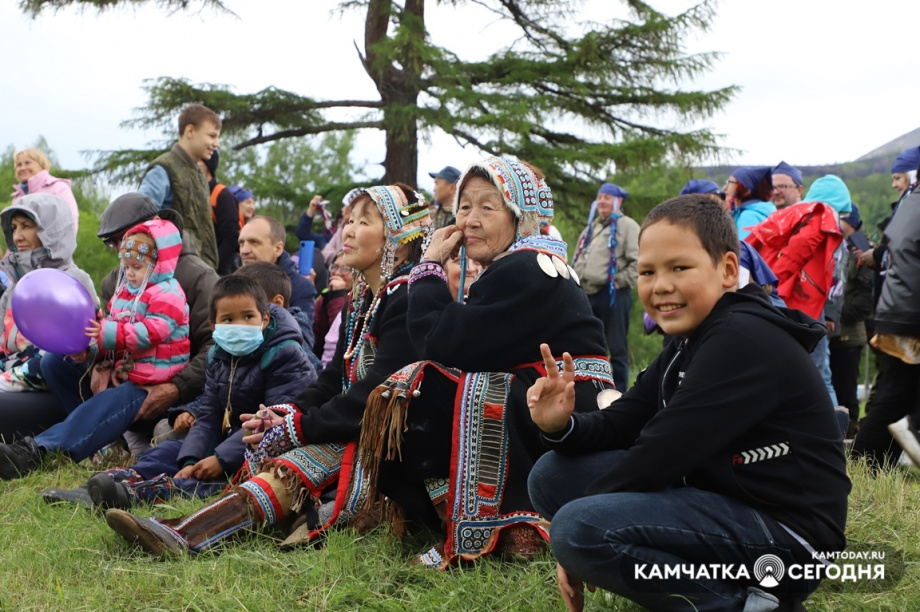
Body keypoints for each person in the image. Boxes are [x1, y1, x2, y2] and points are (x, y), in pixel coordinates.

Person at [527, 195, 850, 612]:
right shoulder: (689, 340)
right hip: (721, 497)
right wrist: (561, 425)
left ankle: (747, 605)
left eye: (679, 268)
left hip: (789, 538)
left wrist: (573, 537)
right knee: (552, 476)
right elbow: (624, 421)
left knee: (577, 527)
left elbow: (660, 453)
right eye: (648, 271)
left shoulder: (741, 339)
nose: (660, 285)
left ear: (728, 270)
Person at [102, 183, 429, 557]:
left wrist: (298, 426)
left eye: (364, 222)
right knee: (276, 451)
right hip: (352, 428)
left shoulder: (408, 298)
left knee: (291, 466)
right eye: (349, 220)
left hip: (389, 443)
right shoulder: (363, 300)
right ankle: (176, 529)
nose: (348, 231)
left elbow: (374, 391)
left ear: (400, 239)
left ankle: (182, 535)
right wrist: (286, 413)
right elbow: (332, 378)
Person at [365, 156, 614, 567]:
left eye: (488, 207)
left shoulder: (524, 267)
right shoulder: (533, 263)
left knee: (419, 384)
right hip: (567, 405)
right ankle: (464, 517)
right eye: (464, 207)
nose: (471, 220)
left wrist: (428, 266)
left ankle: (488, 523)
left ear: (519, 217)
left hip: (562, 408)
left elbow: (440, 342)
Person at [59, 273, 315, 509]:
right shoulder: (218, 356)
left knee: (213, 481)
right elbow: (209, 415)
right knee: (167, 453)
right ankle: (103, 485)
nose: (239, 325)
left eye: (248, 316)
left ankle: (135, 494)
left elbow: (272, 423)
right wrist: (191, 459)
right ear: (213, 324)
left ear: (265, 318)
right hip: (227, 439)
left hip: (266, 449)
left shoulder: (285, 355)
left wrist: (220, 459)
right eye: (228, 319)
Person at [0, 219, 190, 479]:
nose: (129, 273)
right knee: (55, 361)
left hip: (154, 380)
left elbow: (150, 333)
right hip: (129, 371)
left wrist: (105, 334)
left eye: (137, 267)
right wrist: (90, 351)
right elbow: (113, 335)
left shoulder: (168, 294)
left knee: (116, 398)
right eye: (127, 266)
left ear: (157, 264)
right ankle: (104, 447)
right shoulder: (126, 292)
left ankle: (39, 450)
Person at [0, 194, 99, 407]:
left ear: (51, 231)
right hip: (9, 377)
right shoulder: (13, 289)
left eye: (26, 226)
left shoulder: (73, 280)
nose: (17, 236)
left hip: (46, 381)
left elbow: (84, 347)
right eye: (14, 228)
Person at [852, 186, 920, 469]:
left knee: (897, 394)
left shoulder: (910, 201)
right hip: (910, 314)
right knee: (896, 396)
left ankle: (869, 465)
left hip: (899, 310)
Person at [572, 182, 639, 391]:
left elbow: (638, 261)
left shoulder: (627, 226)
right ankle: (592, 391)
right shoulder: (591, 227)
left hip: (613, 295)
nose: (602, 201)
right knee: (588, 345)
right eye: (600, 197)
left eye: (607, 198)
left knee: (617, 348)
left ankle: (620, 394)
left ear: (618, 201)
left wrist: (620, 281)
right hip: (587, 294)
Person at [139, 103, 220, 269]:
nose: (216, 143)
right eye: (212, 136)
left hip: (198, 271)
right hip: (172, 273)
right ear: (190, 131)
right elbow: (140, 215)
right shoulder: (163, 169)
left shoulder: (198, 173)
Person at [238, 215, 317, 347]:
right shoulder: (232, 283)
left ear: (278, 249)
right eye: (241, 243)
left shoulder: (301, 287)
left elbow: (302, 344)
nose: (244, 250)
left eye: (254, 242)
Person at [829, 203, 873, 438]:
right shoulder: (838, 245)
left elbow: (865, 300)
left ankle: (850, 439)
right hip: (833, 333)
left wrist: (832, 313)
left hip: (848, 336)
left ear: (850, 222)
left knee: (845, 393)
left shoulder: (861, 249)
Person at [11, 148, 80, 232]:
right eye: (19, 165)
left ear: (41, 165)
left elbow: (70, 220)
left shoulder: (58, 188)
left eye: (27, 163)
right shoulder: (17, 198)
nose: (22, 168)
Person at [198, 150, 240, 275]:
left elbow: (231, 237)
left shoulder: (222, 195)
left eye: (198, 160)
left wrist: (215, 269)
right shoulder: (194, 194)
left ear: (208, 166)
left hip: (218, 272)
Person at [312, 250, 351, 361]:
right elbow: (313, 335)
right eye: (335, 267)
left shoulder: (360, 302)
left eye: (345, 268)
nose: (337, 273)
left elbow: (342, 334)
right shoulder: (325, 297)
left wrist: (337, 295)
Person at [724, 166, 775, 240]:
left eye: (730, 182)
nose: (725, 187)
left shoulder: (749, 216)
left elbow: (744, 246)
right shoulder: (763, 211)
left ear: (746, 191)